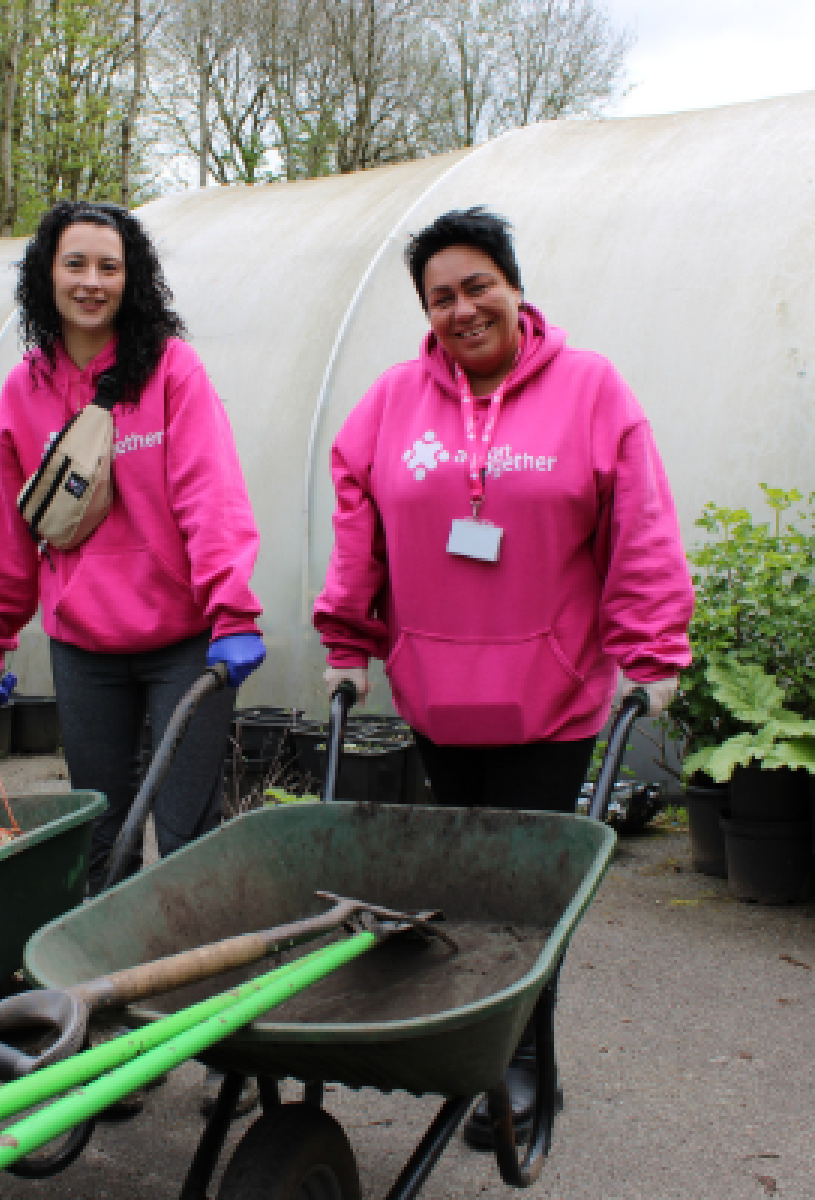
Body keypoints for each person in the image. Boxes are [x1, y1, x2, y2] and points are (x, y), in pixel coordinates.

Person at [313, 207, 693, 1147]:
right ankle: (474, 1043)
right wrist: (347, 642)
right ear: (426, 312)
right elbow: (358, 527)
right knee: (461, 886)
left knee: (525, 894)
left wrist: (653, 654)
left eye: (478, 284)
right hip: (436, 692)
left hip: (550, 697)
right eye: (441, 296)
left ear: (514, 285)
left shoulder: (593, 390)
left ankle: (525, 1067)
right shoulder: (391, 403)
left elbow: (639, 529)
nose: (463, 308)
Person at [0, 199, 266, 887]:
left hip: (183, 640)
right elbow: (4, 526)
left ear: (132, 279)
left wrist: (232, 612)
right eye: (76, 264)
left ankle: (188, 978)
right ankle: (107, 982)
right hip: (84, 648)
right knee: (102, 831)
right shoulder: (25, 389)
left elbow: (209, 496)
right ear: (48, 274)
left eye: (109, 266)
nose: (92, 282)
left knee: (186, 832)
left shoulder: (170, 371)